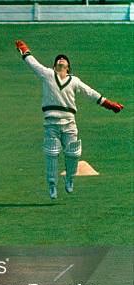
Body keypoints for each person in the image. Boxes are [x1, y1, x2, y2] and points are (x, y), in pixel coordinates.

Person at [15, 40, 124, 200]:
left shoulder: (74, 80)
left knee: (73, 153)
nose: (60, 60)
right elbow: (34, 64)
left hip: (69, 122)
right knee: (51, 152)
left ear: (68, 67)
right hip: (51, 121)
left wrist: (109, 104)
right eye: (58, 60)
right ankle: (52, 184)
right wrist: (25, 51)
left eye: (64, 60)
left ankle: (70, 179)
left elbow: (91, 93)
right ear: (54, 66)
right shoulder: (48, 74)